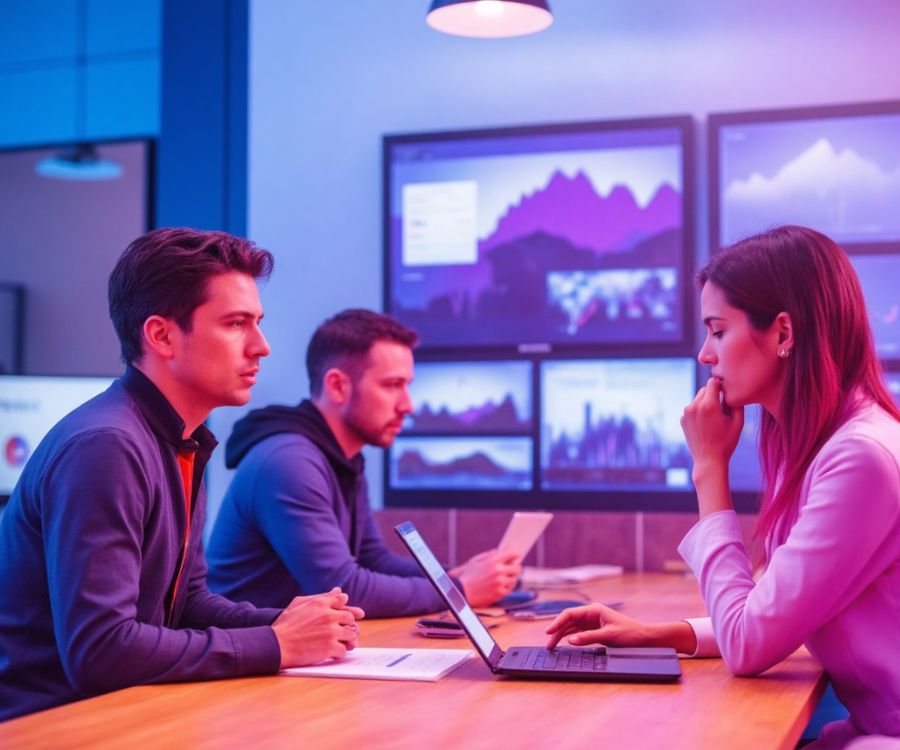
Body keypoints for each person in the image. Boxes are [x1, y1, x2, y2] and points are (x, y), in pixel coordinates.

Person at [545, 226, 900, 747]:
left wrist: (709, 469)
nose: (704, 355)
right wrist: (652, 634)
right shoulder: (822, 443)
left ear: (783, 334)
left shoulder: (859, 458)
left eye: (717, 330)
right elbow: (770, 612)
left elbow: (748, 644)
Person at [0, 229, 363, 722]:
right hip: (52, 725)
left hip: (126, 712)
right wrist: (275, 643)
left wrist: (291, 622)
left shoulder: (181, 440)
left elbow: (186, 603)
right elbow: (100, 650)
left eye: (258, 323)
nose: (262, 347)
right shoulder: (107, 445)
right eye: (237, 324)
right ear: (162, 335)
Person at [206, 308, 522, 617]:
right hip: (253, 657)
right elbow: (344, 588)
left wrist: (449, 576)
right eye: (392, 385)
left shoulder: (343, 457)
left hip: (301, 651)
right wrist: (459, 590)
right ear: (338, 386)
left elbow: (372, 559)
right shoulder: (288, 462)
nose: (407, 406)